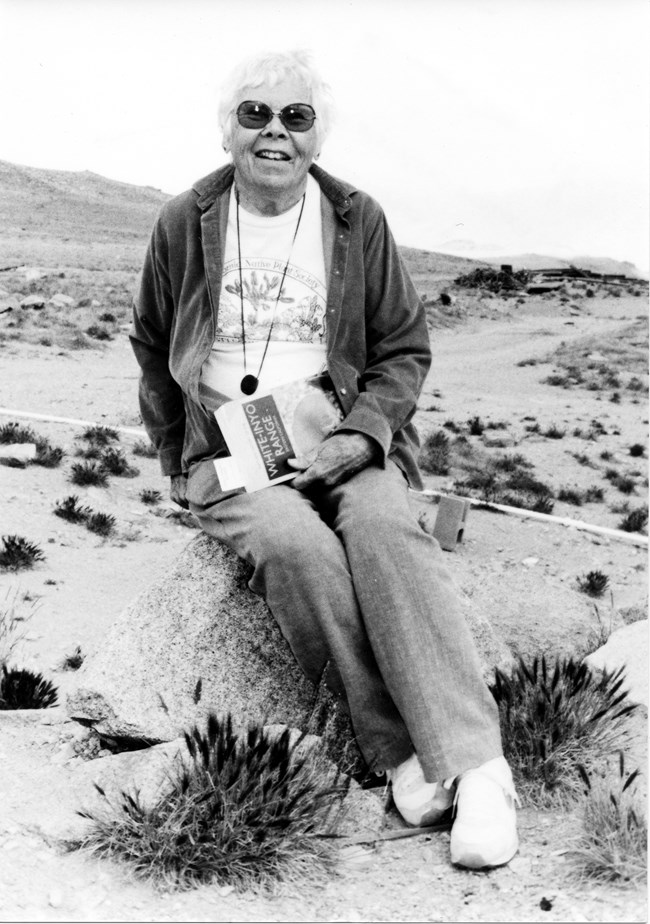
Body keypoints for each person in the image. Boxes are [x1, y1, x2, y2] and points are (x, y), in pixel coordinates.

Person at [130, 49, 519, 870]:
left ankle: (480, 770)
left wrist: (364, 432)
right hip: (226, 447)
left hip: (338, 433)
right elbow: (150, 340)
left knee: (385, 533)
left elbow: (404, 348)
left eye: (295, 117)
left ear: (317, 136)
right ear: (228, 129)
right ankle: (405, 756)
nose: (275, 132)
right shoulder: (183, 220)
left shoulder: (356, 218)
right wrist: (174, 456)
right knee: (297, 549)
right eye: (256, 115)